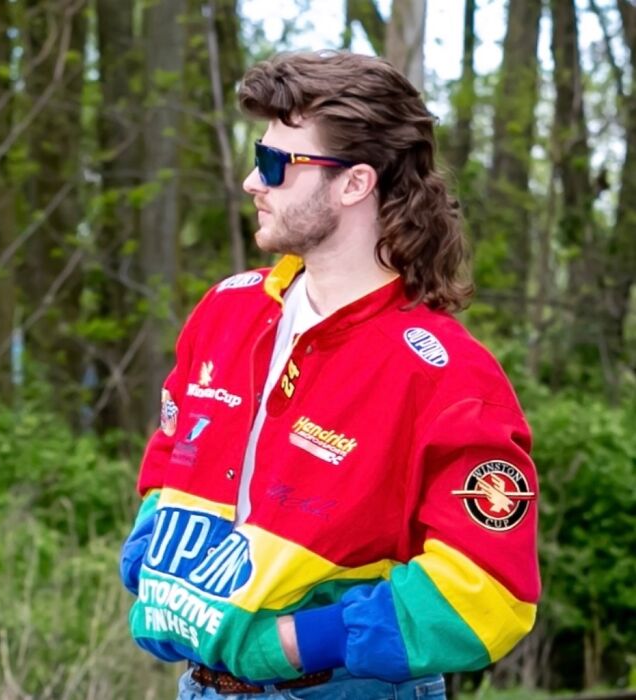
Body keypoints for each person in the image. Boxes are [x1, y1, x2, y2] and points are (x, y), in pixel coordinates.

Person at [120, 50, 540, 700]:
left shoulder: (447, 375)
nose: (250, 183)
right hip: (198, 685)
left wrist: (295, 643)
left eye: (273, 166)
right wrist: (150, 548)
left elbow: (489, 592)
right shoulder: (227, 310)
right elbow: (177, 443)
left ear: (354, 183)